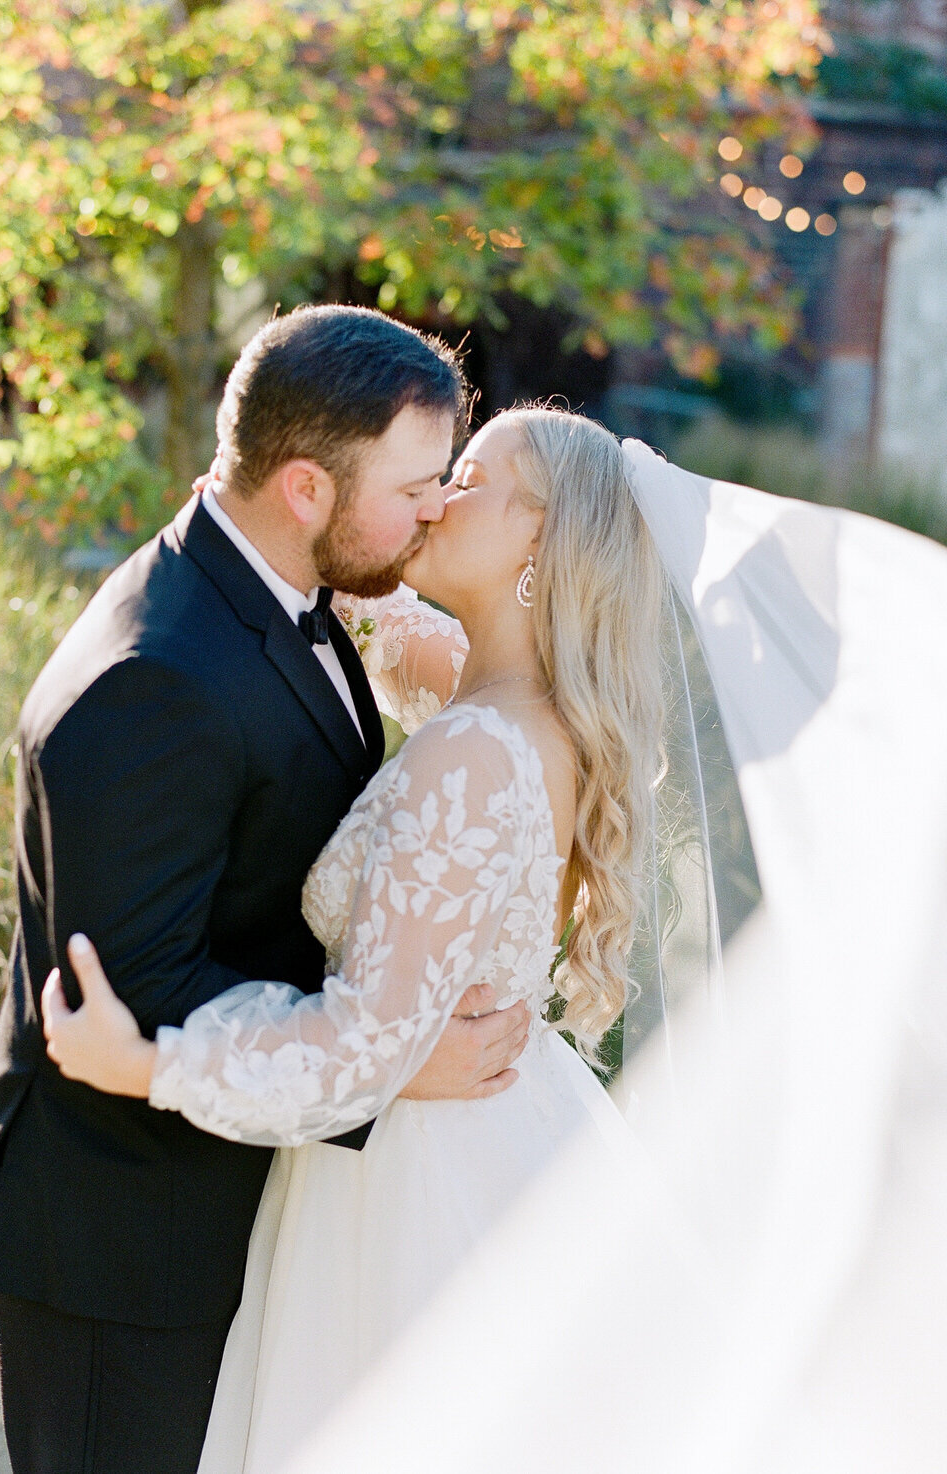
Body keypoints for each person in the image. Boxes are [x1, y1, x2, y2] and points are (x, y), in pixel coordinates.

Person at [0, 305, 532, 1474]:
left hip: (220, 1192)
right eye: (416, 485)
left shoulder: (282, 581)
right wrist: (393, 1057)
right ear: (307, 488)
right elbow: (128, 991)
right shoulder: (152, 683)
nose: (435, 510)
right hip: (122, 1242)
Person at [42, 405, 666, 1473]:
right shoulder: (532, 698)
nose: (434, 496)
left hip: (411, 1187)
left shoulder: (472, 756)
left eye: (465, 478)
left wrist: (147, 1061)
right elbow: (396, 644)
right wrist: (274, 533)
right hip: (505, 1132)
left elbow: (361, 1045)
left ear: (538, 536)